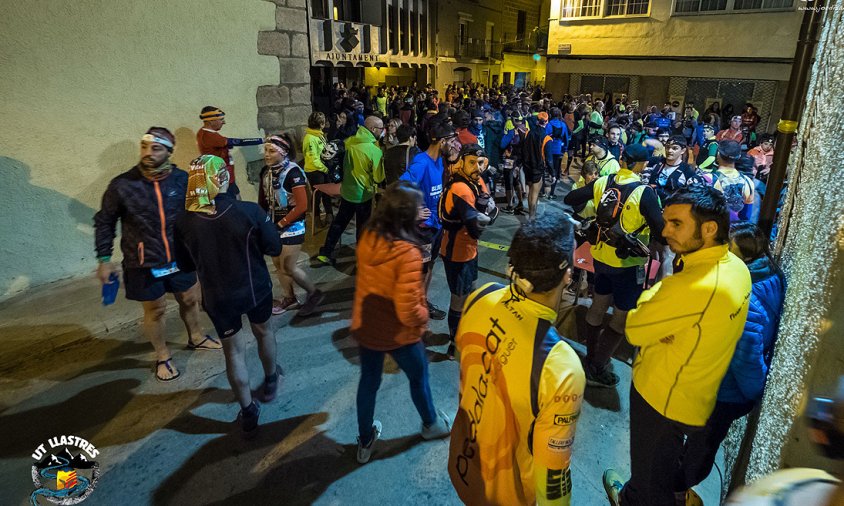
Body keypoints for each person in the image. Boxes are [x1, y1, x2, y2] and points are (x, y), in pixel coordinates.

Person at [603, 184, 752, 506]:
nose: (665, 230)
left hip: (661, 396)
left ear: (709, 229)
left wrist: (657, 293)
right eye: (667, 221)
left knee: (650, 480)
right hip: (696, 392)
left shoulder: (693, 286)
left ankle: (634, 497)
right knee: (663, 467)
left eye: (676, 224)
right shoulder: (737, 268)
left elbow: (634, 327)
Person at [448, 216, 585, 506]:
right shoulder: (560, 366)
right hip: (507, 495)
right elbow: (553, 477)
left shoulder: (481, 296)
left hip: (462, 467)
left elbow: (467, 367)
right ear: (567, 276)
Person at [94, 128, 220, 383]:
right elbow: (105, 221)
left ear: (169, 152)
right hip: (143, 261)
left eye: (156, 148)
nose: (148, 153)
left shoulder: (183, 179)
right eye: (144, 147)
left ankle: (196, 337)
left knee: (189, 299)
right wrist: (104, 260)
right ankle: (162, 355)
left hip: (180, 255)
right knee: (156, 309)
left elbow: (201, 214)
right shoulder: (122, 184)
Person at [173, 155, 282, 437]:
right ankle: (270, 380)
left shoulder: (184, 221)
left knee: (233, 352)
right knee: (264, 332)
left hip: (218, 297)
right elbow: (274, 247)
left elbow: (185, 265)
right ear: (221, 178)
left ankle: (248, 411)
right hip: (255, 288)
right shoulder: (248, 211)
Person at [676, 221, 785, 497]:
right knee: (700, 444)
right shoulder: (769, 277)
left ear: (744, 257)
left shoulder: (743, 295)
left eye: (728, 249)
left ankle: (673, 493)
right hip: (725, 389)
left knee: (699, 448)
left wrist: (751, 392)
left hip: (724, 394)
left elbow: (746, 353)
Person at [351, 181, 452, 464]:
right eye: (418, 207)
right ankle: (431, 424)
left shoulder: (368, 235)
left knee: (368, 382)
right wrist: (423, 318)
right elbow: (408, 309)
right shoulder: (406, 252)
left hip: (367, 325)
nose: (423, 210)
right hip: (399, 334)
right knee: (419, 377)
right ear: (404, 215)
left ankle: (364, 439)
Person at [563, 144, 663, 388]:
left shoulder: (603, 182)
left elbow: (571, 198)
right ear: (641, 165)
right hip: (628, 265)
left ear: (622, 159)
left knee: (597, 307)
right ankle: (598, 365)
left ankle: (590, 357)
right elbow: (661, 231)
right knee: (620, 318)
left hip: (600, 258)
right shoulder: (644, 192)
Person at [438, 144, 497, 357]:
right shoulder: (461, 188)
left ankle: (466, 328)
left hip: (469, 249)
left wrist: (485, 213)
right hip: (457, 252)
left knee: (471, 290)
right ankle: (454, 341)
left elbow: (489, 212)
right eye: (472, 162)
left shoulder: (475, 180)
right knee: (459, 298)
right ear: (462, 161)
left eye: (480, 163)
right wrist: (485, 214)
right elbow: (477, 226)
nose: (478, 167)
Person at [401, 122, 461, 321]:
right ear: (441, 141)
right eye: (452, 141)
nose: (454, 145)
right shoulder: (422, 162)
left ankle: (422, 301)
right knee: (420, 270)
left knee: (429, 266)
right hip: (423, 230)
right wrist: (414, 209)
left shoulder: (439, 161)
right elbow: (401, 186)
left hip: (435, 226)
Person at [259, 134, 324, 316]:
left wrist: (281, 223)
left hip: (292, 224)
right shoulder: (266, 172)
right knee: (278, 265)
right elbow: (263, 200)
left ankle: (314, 293)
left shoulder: (293, 173)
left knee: (289, 266)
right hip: (273, 224)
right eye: (265, 150)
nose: (267, 154)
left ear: (284, 152)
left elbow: (302, 205)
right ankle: (289, 298)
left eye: (272, 151)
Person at [316, 116, 386, 265]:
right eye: (381, 128)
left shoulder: (350, 141)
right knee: (362, 227)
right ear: (373, 129)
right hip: (364, 195)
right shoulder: (374, 150)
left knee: (339, 222)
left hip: (347, 191)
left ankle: (326, 252)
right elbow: (379, 178)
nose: (383, 131)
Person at [196, 106, 262, 197]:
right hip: (223, 180)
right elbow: (239, 142)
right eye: (221, 119)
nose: (224, 122)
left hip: (223, 177)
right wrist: (262, 140)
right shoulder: (209, 136)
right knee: (235, 204)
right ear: (211, 121)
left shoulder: (202, 132)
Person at [303, 112, 334, 227]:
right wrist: (326, 169)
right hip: (314, 171)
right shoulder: (310, 138)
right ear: (321, 124)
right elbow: (313, 160)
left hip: (322, 169)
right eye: (324, 121)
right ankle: (316, 219)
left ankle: (329, 215)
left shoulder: (318, 135)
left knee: (327, 193)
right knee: (317, 195)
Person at [713, 140, 755, 222]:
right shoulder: (748, 182)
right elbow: (745, 216)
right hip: (733, 230)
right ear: (739, 157)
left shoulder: (708, 178)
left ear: (718, 154)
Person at [522, 111, 551, 220]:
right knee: (535, 193)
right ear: (546, 122)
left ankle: (531, 213)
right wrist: (552, 173)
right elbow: (548, 158)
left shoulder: (528, 133)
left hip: (527, 166)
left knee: (530, 191)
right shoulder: (546, 137)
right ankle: (532, 216)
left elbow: (524, 150)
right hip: (537, 168)